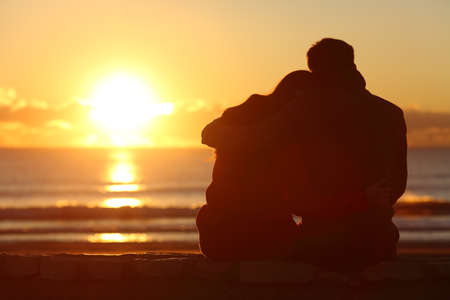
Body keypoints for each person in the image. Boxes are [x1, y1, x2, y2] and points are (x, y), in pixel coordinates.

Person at [199, 38, 407, 271]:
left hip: (219, 232)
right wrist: (363, 200)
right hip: (372, 240)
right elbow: (392, 187)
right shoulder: (386, 113)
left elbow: (301, 201)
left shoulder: (266, 118)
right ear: (353, 66)